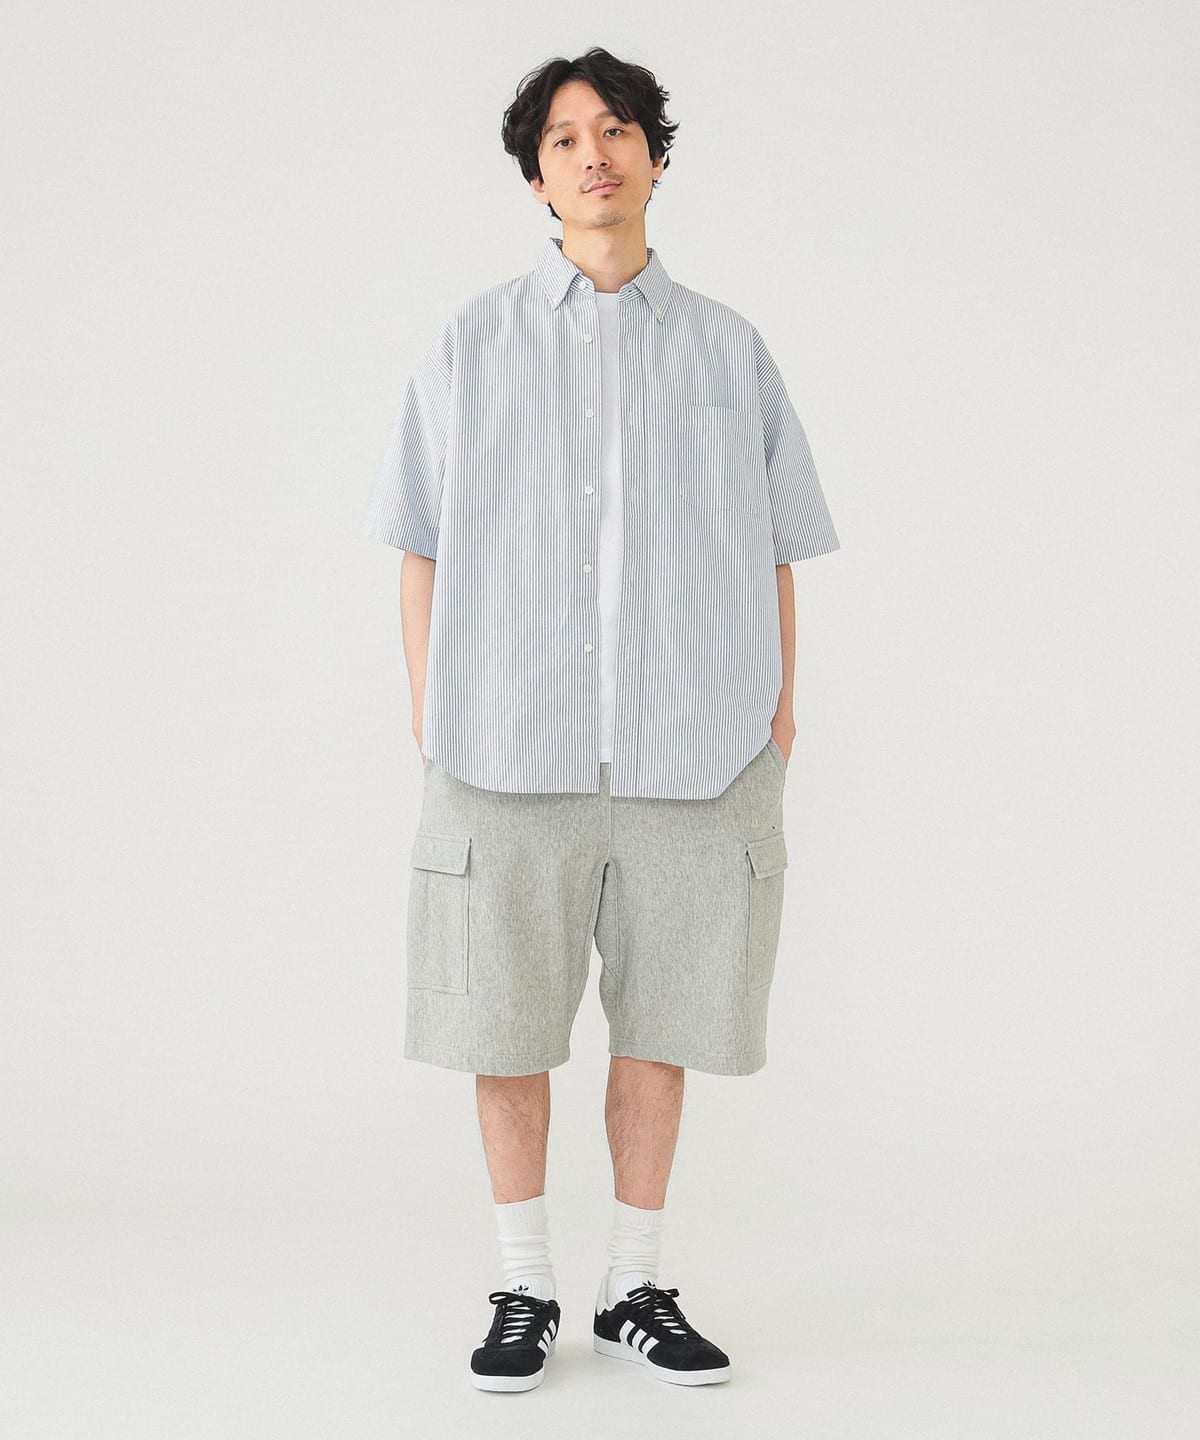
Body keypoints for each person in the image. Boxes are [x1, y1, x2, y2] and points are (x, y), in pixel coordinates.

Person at [361, 46, 840, 1392]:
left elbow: (778, 545)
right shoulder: (470, 342)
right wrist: (433, 711)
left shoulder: (729, 348)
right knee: (501, 1026)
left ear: (655, 160)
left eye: (616, 130)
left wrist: (780, 714)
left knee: (665, 1023)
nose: (593, 155)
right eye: (565, 139)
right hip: (504, 750)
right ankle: (523, 1284)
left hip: (698, 753)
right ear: (537, 178)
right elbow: (416, 541)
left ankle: (636, 1285)